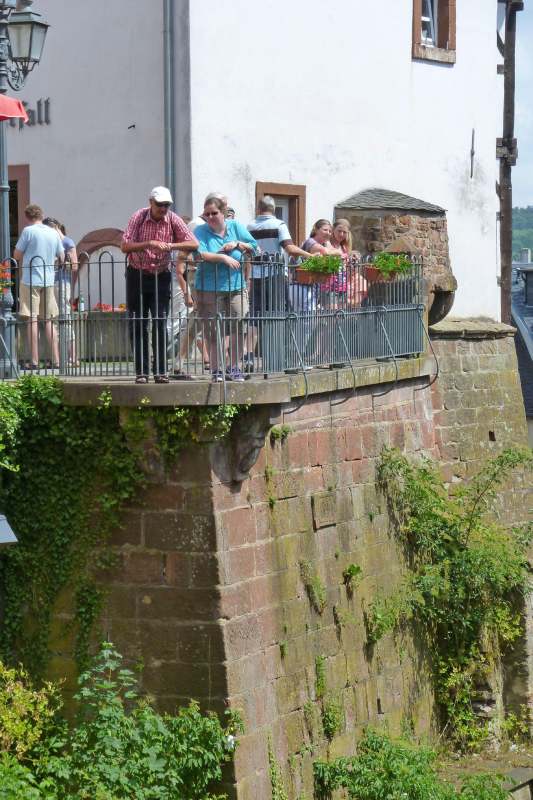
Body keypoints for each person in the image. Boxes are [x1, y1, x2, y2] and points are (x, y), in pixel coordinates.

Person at [121, 186, 198, 384]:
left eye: (166, 205)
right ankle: (142, 372)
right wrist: (150, 243)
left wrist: (171, 245)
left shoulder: (172, 219)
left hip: (161, 275)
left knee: (160, 322)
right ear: (151, 202)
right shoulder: (138, 217)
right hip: (137, 274)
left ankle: (161, 371)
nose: (163, 208)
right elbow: (125, 246)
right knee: (138, 323)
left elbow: (193, 243)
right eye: (160, 205)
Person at [194, 196, 259, 382]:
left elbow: (255, 248)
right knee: (216, 332)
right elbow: (201, 253)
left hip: (236, 287)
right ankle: (216, 371)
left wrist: (238, 244)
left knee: (240, 327)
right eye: (207, 214)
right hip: (209, 288)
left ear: (223, 212)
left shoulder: (236, 227)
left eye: (214, 213)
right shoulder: (200, 230)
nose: (211, 217)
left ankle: (234, 368)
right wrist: (223, 258)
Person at [246, 195, 311, 368]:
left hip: (256, 275)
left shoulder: (250, 226)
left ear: (259, 209)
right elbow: (289, 248)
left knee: (255, 315)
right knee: (281, 313)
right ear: (274, 209)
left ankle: (248, 356)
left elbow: (249, 253)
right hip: (275, 274)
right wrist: (309, 255)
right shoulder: (279, 224)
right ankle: (282, 357)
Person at [14, 203, 64, 369]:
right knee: (49, 320)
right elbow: (62, 256)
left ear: (27, 217)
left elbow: (17, 255)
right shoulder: (53, 232)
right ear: (41, 216)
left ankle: (34, 361)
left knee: (32, 319)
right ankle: (56, 360)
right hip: (48, 279)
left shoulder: (28, 231)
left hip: (30, 280)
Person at [44, 217, 79, 365]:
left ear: (55, 228)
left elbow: (75, 265)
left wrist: (62, 262)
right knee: (52, 320)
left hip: (62, 282)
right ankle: (58, 359)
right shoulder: (50, 242)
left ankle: (72, 357)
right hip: (50, 283)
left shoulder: (67, 242)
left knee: (65, 318)